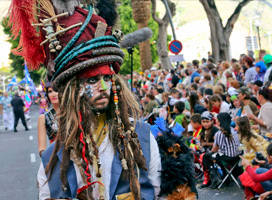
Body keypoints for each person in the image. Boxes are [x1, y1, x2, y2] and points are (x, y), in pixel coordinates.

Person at [9, 1, 164, 199]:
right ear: (72, 90)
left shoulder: (142, 138)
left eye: (107, 78)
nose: (103, 87)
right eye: (92, 80)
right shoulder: (52, 158)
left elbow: (157, 190)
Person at [37, 83, 59, 157]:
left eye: (56, 90)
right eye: (50, 91)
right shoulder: (43, 118)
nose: (53, 94)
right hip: (56, 156)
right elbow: (42, 149)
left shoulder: (72, 113)